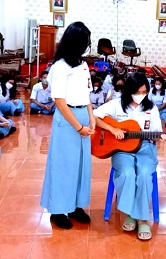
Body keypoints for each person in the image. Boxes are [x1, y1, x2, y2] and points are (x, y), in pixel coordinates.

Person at [93, 72, 166, 241]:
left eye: (144, 92)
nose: (141, 96)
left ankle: (141, 219)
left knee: (143, 174)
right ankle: (132, 214)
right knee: (127, 173)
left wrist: (159, 136)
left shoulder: (152, 108)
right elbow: (94, 116)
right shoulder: (116, 104)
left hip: (145, 147)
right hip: (121, 150)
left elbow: (156, 132)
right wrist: (113, 129)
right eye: (138, 92)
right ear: (129, 90)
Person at [40, 22, 95, 230]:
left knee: (81, 165)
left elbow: (87, 94)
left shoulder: (82, 65)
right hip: (67, 118)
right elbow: (60, 101)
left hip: (82, 114)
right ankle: (57, 210)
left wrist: (91, 117)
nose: (87, 45)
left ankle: (75, 207)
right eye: (85, 42)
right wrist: (78, 127)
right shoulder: (59, 67)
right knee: (64, 165)